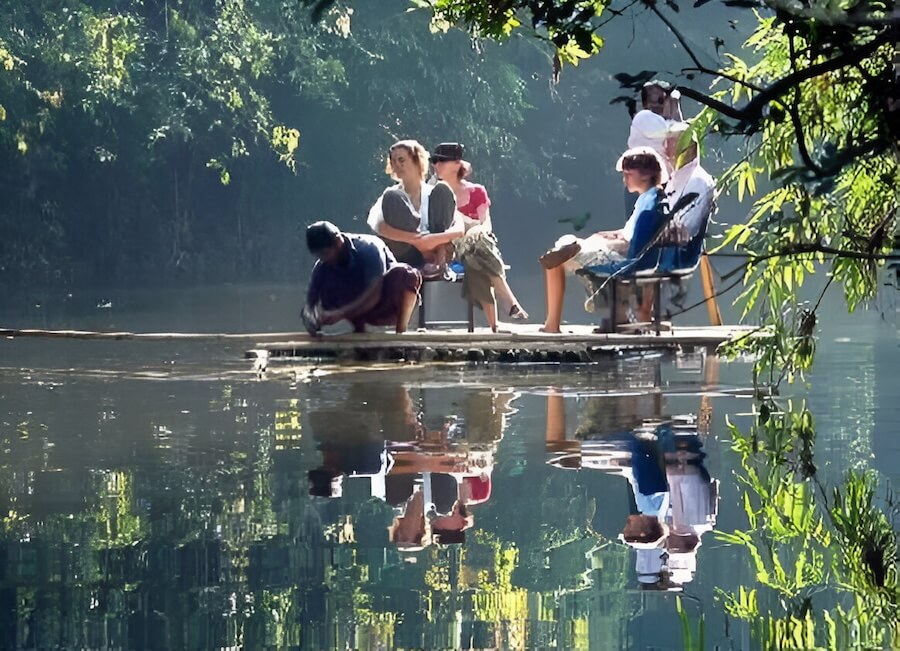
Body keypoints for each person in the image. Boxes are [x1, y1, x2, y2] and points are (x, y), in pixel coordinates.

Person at [540, 147, 668, 333]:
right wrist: (605, 235)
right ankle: (571, 246)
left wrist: (603, 243)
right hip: (633, 258)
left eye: (628, 174)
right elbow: (630, 232)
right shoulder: (652, 198)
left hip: (627, 263)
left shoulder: (648, 204)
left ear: (645, 175)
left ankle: (552, 325)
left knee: (556, 262)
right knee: (569, 247)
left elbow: (630, 245)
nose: (625, 180)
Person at [430, 142, 528, 331]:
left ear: (457, 163)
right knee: (477, 251)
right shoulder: (435, 192)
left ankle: (495, 325)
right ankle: (508, 300)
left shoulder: (477, 191)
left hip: (479, 243)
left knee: (476, 254)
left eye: (442, 161)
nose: (436, 165)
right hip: (450, 246)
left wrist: (471, 229)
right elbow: (436, 225)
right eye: (435, 161)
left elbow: (486, 225)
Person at [302, 220, 421, 335]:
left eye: (325, 253)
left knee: (405, 274)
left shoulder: (369, 248)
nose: (323, 259)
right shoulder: (322, 266)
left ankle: (401, 330)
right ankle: (359, 329)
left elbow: (374, 295)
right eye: (318, 255)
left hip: (386, 306)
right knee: (326, 281)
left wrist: (340, 313)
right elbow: (310, 303)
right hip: (359, 312)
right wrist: (311, 318)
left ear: (338, 242)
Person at [368, 139, 465, 277]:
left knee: (443, 190)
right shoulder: (391, 194)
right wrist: (416, 240)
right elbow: (377, 225)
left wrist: (432, 241)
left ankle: (439, 262)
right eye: (393, 161)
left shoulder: (434, 193)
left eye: (401, 160)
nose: (397, 165)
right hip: (406, 252)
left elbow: (459, 228)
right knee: (392, 197)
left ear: (417, 160)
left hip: (437, 250)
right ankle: (420, 263)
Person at [626, 80, 683, 215]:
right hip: (641, 182)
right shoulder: (643, 117)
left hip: (660, 184)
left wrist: (674, 103)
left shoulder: (664, 122)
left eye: (661, 100)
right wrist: (674, 103)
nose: (657, 105)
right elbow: (677, 130)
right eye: (652, 100)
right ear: (645, 104)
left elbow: (681, 137)